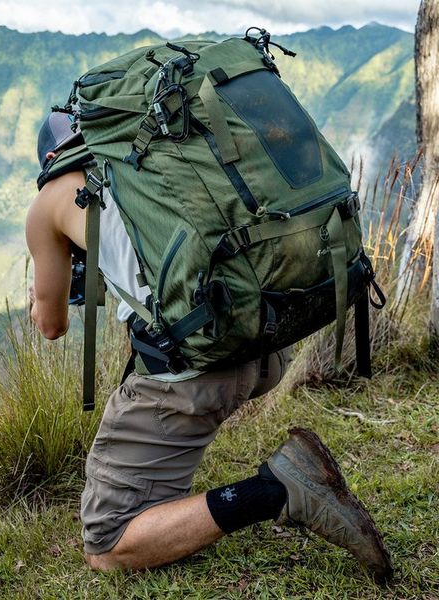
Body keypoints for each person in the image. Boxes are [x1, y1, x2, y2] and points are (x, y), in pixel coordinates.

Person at [25, 112, 393, 581]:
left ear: (51, 159)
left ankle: (278, 490)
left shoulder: (51, 201)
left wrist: (43, 294)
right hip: (266, 341)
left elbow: (52, 325)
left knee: (107, 541)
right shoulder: (156, 157)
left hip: (200, 369)